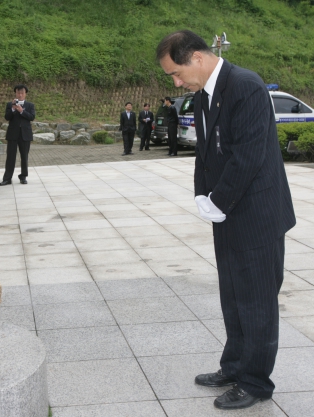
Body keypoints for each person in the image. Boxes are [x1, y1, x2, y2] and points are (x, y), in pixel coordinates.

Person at [156, 30, 295, 410]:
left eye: (176, 73)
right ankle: (234, 366)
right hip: (227, 211)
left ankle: (255, 382)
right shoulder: (203, 95)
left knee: (257, 302)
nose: (176, 82)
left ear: (197, 57)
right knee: (233, 297)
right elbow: (205, 152)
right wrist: (202, 193)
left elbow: (248, 155)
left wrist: (220, 199)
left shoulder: (245, 86)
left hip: (256, 213)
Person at [0, 84, 35, 186]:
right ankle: (7, 178)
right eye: (18, 93)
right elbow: (7, 117)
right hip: (13, 134)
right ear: (15, 93)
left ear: (25, 94)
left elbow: (31, 117)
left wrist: (21, 111)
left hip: (25, 134)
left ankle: (23, 176)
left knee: (24, 156)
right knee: (10, 157)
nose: (20, 95)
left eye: (22, 93)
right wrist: (13, 109)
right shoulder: (10, 105)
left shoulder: (30, 105)